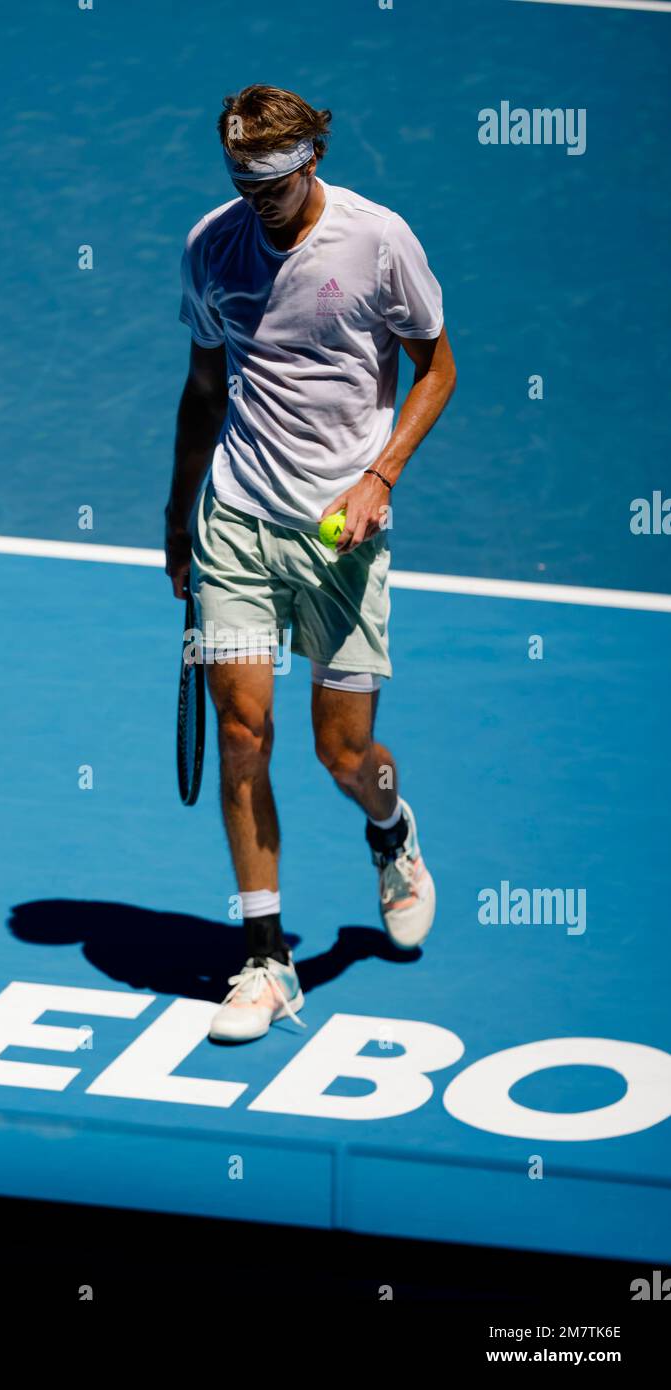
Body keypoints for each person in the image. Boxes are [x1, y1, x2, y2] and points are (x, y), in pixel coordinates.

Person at [165, 84, 456, 1043]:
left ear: (309, 162)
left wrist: (380, 474)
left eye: (272, 186)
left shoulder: (378, 243)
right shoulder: (214, 245)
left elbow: (437, 368)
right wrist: (178, 515)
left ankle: (390, 830)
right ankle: (264, 958)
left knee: (344, 756)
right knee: (244, 734)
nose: (258, 204)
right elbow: (205, 385)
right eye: (241, 184)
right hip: (238, 520)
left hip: (342, 534)